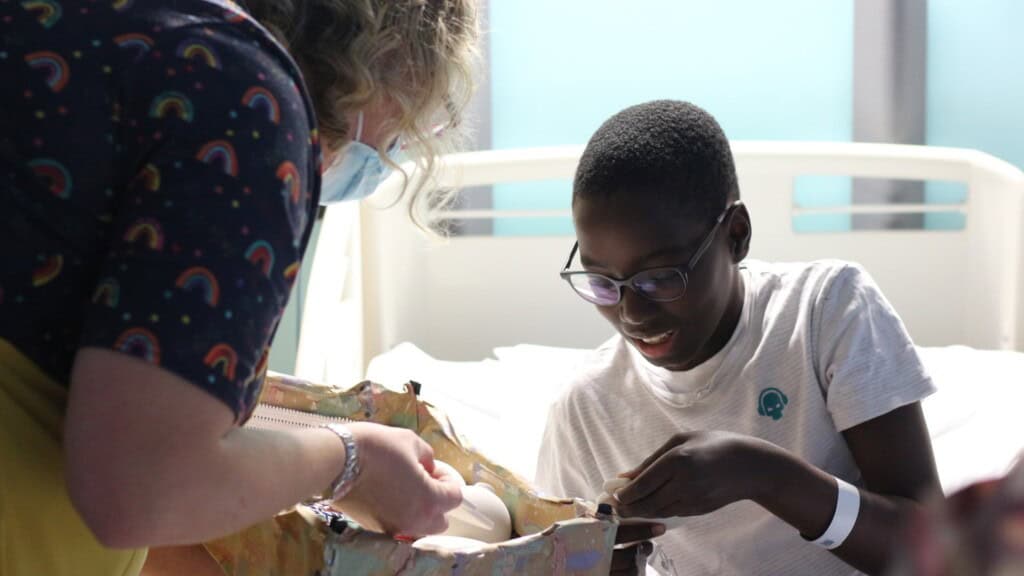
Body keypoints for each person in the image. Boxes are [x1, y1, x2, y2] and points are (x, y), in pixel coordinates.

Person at [0, 0, 478, 574]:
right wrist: (353, 460)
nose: (399, 148)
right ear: (390, 60)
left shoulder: (89, 35)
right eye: (418, 121)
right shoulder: (243, 97)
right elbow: (139, 490)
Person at [535, 100, 942, 576]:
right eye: (603, 282)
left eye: (662, 278)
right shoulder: (588, 408)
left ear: (736, 235)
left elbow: (934, 550)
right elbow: (555, 560)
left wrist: (764, 474)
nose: (632, 313)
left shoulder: (824, 313)